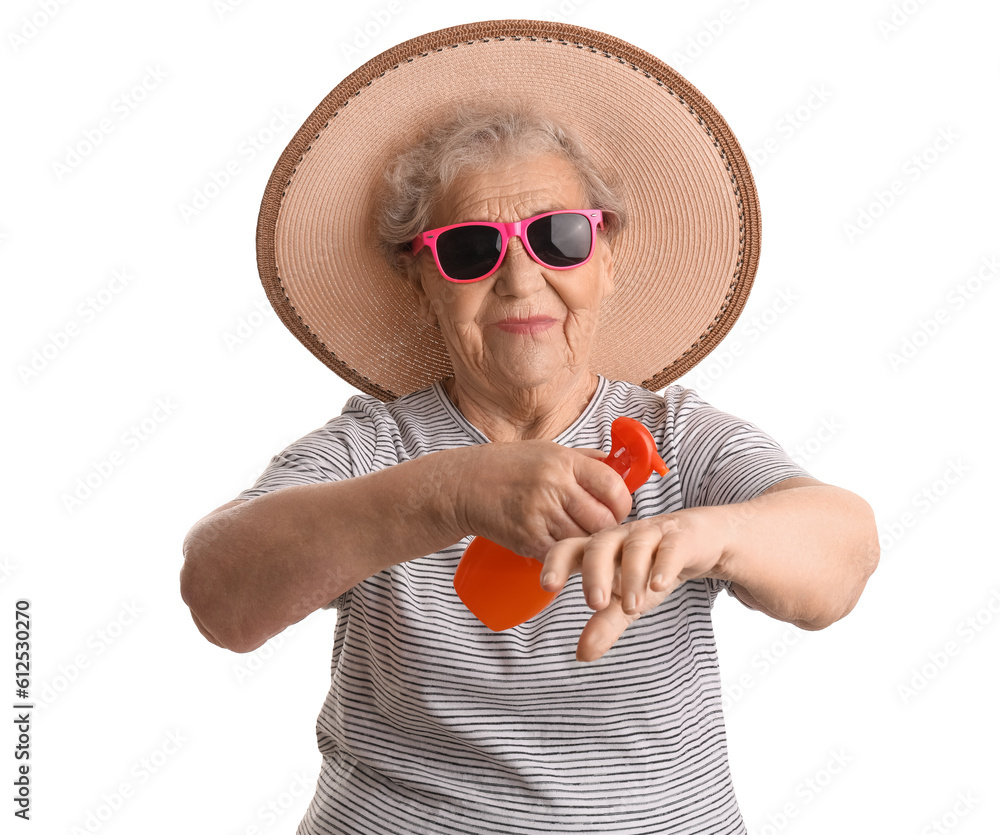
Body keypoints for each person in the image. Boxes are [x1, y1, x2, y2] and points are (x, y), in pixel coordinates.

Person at [180, 21, 878, 835]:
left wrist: (703, 536)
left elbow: (844, 556)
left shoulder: (677, 438)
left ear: (606, 258)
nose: (520, 277)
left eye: (559, 236)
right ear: (421, 280)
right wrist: (442, 496)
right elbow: (217, 593)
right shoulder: (373, 449)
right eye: (471, 248)